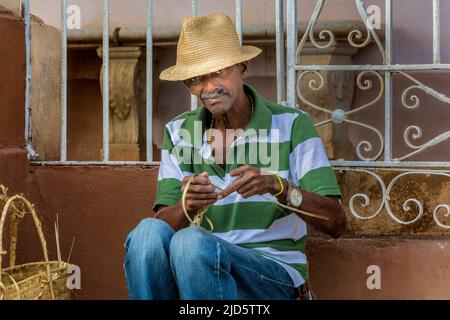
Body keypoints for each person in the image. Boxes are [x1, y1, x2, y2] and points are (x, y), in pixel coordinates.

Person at [124, 12, 346, 300]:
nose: (208, 88)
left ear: (242, 66)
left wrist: (279, 187)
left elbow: (336, 222)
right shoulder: (178, 132)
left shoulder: (292, 124)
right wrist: (186, 206)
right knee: (146, 233)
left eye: (219, 72)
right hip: (198, 273)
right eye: (196, 79)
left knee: (191, 243)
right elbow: (161, 229)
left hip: (272, 277)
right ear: (187, 86)